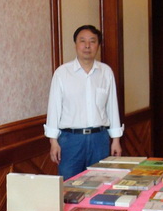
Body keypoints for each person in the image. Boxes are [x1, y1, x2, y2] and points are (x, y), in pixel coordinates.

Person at [44, 24, 123, 180]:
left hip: (99, 139)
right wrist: (53, 142)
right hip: (70, 140)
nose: (87, 46)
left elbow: (112, 107)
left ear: (98, 45)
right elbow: (54, 108)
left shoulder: (106, 72)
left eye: (92, 41)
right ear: (76, 44)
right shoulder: (62, 73)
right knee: (69, 186)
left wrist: (116, 140)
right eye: (82, 41)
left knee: (100, 183)